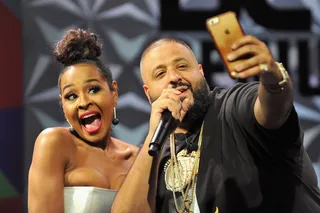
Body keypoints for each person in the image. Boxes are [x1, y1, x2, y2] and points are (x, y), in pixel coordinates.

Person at [111, 35, 320, 213]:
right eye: (160, 74)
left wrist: (273, 76)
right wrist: (151, 137)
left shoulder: (232, 106)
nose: (174, 77)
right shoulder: (156, 149)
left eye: (182, 66)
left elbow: (273, 108)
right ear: (148, 93)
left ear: (201, 71)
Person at [27, 28, 139, 213]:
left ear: (114, 93)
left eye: (93, 89)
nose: (84, 102)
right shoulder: (53, 143)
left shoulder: (137, 158)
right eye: (71, 96)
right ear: (62, 105)